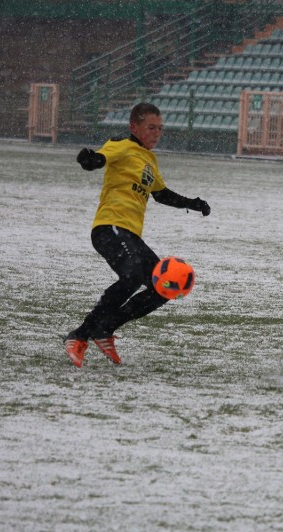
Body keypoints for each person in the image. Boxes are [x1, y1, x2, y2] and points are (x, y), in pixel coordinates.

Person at [63, 102, 211, 368]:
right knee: (131, 277)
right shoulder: (121, 145)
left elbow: (161, 194)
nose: (157, 133)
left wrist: (193, 203)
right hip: (109, 227)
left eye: (160, 129)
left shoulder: (150, 160)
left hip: (131, 235)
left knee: (163, 287)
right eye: (151, 128)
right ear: (134, 127)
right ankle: (80, 335)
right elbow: (101, 158)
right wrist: (90, 160)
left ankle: (104, 328)